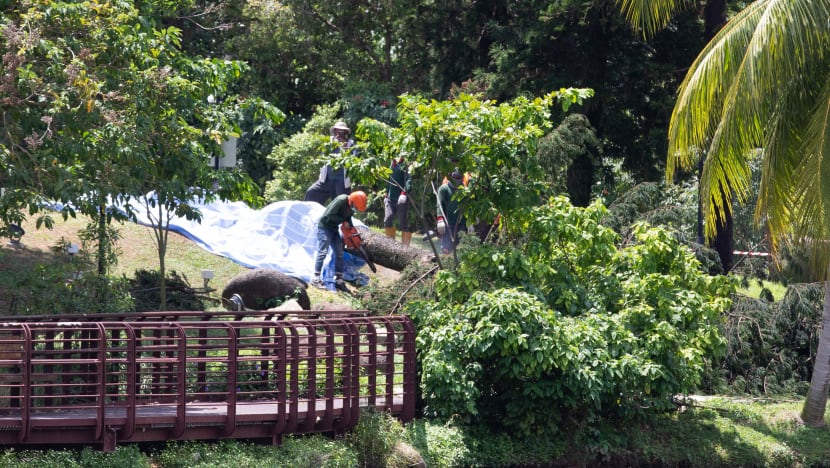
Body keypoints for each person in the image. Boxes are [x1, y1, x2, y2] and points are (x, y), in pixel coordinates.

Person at [311, 191, 368, 292]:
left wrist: (351, 229)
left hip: (334, 229)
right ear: (352, 201)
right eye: (355, 207)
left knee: (340, 253)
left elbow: (348, 218)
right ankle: (316, 278)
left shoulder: (351, 207)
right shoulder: (341, 200)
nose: (355, 209)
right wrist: (343, 221)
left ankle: (339, 280)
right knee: (323, 251)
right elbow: (329, 215)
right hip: (324, 227)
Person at [304, 121, 355, 205]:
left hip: (341, 182)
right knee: (311, 193)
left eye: (342, 132)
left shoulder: (351, 144)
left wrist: (346, 150)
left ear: (346, 133)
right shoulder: (328, 143)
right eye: (337, 131)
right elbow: (322, 158)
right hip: (326, 180)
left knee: (342, 203)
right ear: (334, 132)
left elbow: (354, 161)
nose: (339, 134)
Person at [384, 154, 413, 245]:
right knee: (388, 219)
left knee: (403, 222)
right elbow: (389, 180)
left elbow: (408, 180)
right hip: (390, 198)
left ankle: (405, 247)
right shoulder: (391, 165)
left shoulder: (404, 166)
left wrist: (404, 193)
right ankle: (390, 244)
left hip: (401, 199)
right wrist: (386, 193)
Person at [436, 171, 466, 254]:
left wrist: (470, 222)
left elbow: (467, 206)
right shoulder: (444, 189)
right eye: (454, 178)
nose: (456, 181)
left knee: (461, 248)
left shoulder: (465, 190)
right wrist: (440, 219)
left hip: (461, 224)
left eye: (458, 178)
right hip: (448, 223)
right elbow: (439, 205)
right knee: (447, 248)